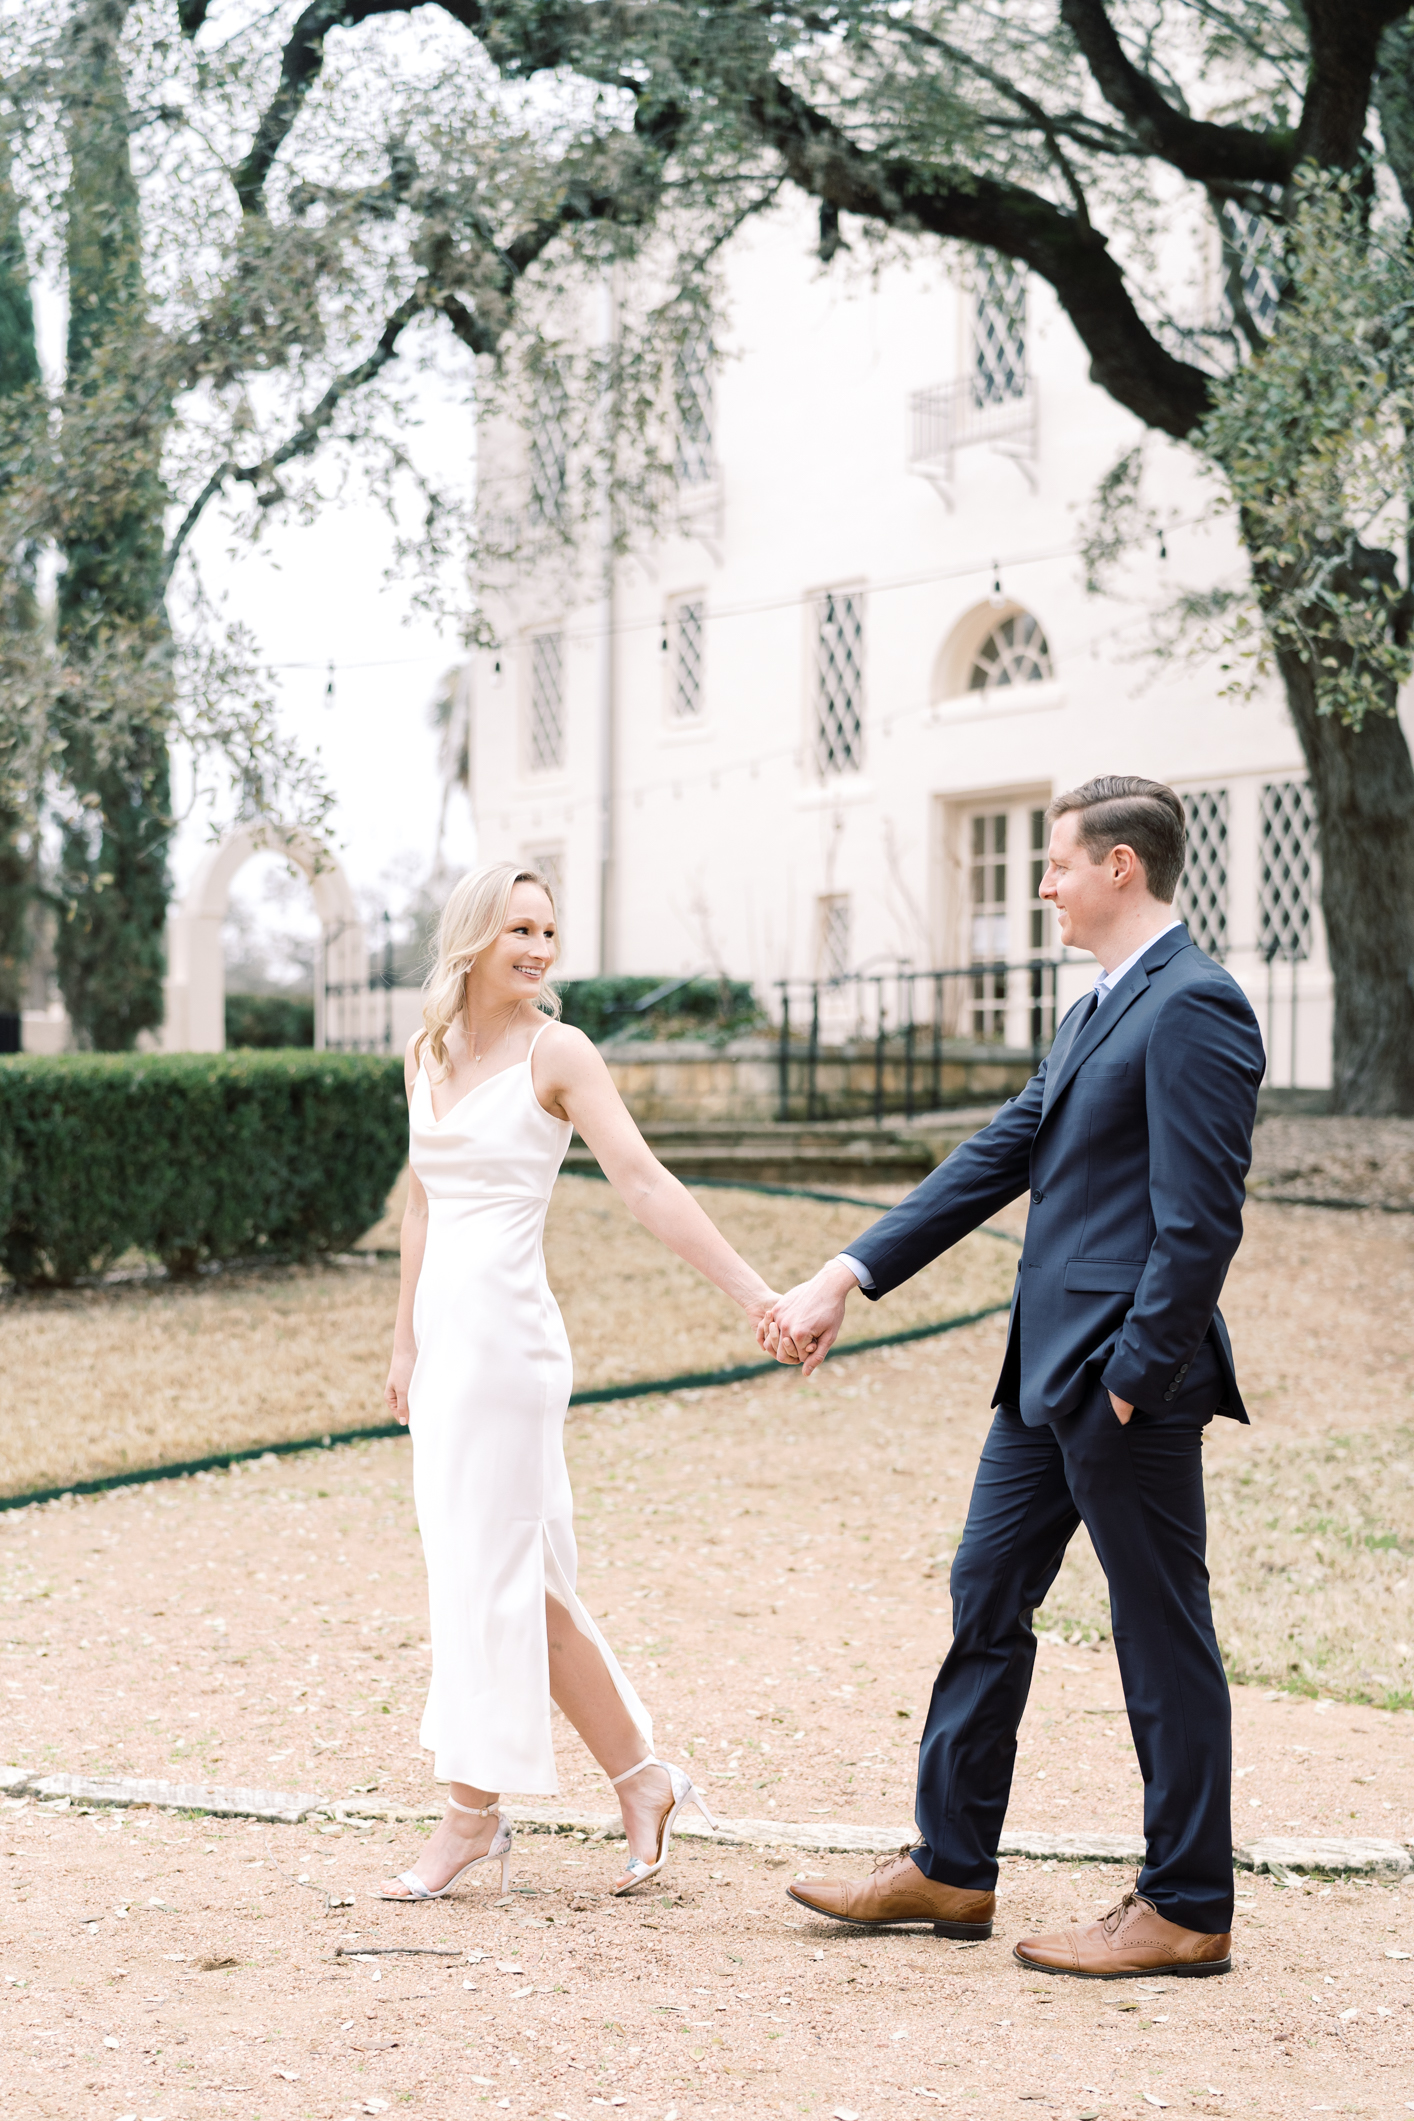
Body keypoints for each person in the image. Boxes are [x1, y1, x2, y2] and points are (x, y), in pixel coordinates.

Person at [762, 777, 1265, 1978]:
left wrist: (1134, 1377)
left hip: (1122, 1383)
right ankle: (949, 1866)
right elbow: (1000, 1153)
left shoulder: (1196, 1005)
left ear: (1120, 869)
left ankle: (1187, 1901)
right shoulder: (1095, 1007)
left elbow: (1199, 1225)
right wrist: (847, 1272)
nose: (1040, 885)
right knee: (984, 1591)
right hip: (1038, 1381)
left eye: (1055, 865)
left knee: (1159, 1636)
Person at [380, 862, 777, 1902]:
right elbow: (421, 1205)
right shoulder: (424, 1051)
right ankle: (642, 1781)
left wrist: (754, 1295)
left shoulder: (560, 1053)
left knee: (492, 1578)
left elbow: (643, 1183)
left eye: (548, 930)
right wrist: (402, 1345)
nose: (538, 947)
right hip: (444, 1349)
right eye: (518, 927)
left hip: (511, 1349)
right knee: (500, 1580)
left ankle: (470, 1818)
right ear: (472, 934)